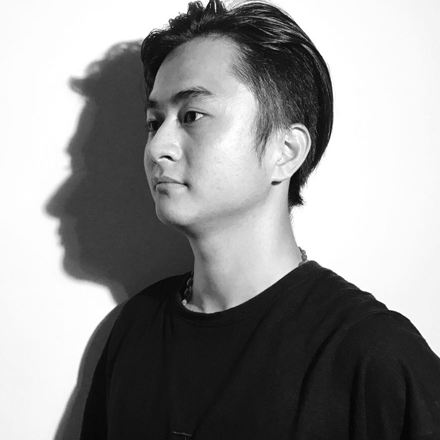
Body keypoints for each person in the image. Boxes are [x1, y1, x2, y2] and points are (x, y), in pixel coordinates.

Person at [80, 1, 440, 438]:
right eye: (154, 123)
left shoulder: (371, 354)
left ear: (285, 151)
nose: (158, 149)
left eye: (192, 116)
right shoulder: (136, 327)